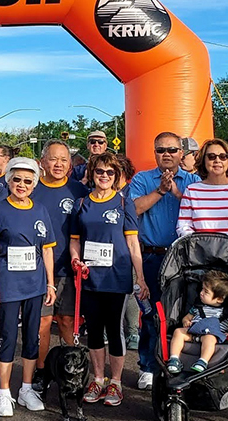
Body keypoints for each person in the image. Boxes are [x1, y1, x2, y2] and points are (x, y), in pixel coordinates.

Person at [0, 157, 57, 417]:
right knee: (8, 337)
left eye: (27, 181)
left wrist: (50, 283)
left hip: (34, 285)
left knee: (32, 338)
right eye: (16, 179)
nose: (21, 185)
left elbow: (47, 251)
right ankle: (4, 392)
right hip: (8, 285)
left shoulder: (41, 211)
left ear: (34, 184)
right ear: (8, 180)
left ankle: (25, 388)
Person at [70, 152, 148, 406]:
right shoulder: (81, 204)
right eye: (100, 171)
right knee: (93, 330)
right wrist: (75, 259)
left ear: (117, 176)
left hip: (117, 276)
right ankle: (98, 378)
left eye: (110, 172)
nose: (104, 176)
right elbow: (75, 241)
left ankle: (115, 382)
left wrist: (141, 277)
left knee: (115, 330)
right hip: (90, 277)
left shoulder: (125, 204)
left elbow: (133, 243)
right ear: (92, 174)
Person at [128, 132, 201, 390]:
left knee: (185, 316)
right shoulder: (142, 179)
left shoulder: (193, 181)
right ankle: (148, 366)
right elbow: (134, 208)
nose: (166, 154)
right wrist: (160, 191)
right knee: (151, 315)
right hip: (152, 256)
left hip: (185, 258)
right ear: (155, 153)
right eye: (161, 150)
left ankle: (182, 364)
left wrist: (177, 192)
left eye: (171, 149)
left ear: (182, 153)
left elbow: (201, 210)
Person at [30, 139, 88, 391]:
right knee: (42, 323)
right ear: (42, 162)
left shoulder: (79, 191)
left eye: (64, 159)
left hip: (68, 269)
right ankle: (41, 372)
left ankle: (73, 373)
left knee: (66, 321)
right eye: (53, 159)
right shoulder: (32, 188)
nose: (59, 164)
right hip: (37, 270)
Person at [166, 270, 228, 374]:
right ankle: (174, 358)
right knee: (178, 332)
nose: (201, 293)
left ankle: (203, 361)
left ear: (219, 299)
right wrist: (186, 322)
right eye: (202, 289)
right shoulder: (198, 307)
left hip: (211, 335)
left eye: (206, 292)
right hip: (193, 332)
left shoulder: (225, 312)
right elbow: (186, 317)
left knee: (210, 339)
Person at [116, 154, 140, 350]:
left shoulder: (130, 193)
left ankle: (132, 330)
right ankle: (109, 329)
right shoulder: (96, 191)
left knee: (129, 291)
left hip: (125, 250)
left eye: (115, 170)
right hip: (101, 251)